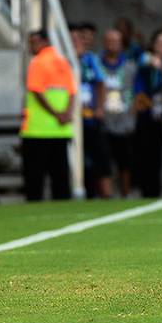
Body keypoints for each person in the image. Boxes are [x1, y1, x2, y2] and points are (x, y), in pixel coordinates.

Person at [20, 31, 76, 202]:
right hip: (61, 130)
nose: (31, 46)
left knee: (34, 179)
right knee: (60, 177)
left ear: (45, 41)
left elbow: (36, 90)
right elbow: (72, 92)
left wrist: (56, 114)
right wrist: (67, 114)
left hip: (37, 130)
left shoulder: (38, 62)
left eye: (34, 42)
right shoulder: (63, 62)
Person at [71, 24, 110, 198]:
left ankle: (106, 195)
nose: (77, 43)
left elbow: (101, 83)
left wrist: (100, 108)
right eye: (73, 39)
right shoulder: (62, 60)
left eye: (79, 39)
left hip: (90, 118)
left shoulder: (90, 59)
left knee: (100, 157)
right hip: (70, 119)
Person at [134, 30, 162, 198]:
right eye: (160, 43)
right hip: (145, 110)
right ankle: (144, 189)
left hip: (160, 113)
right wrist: (159, 64)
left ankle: (155, 189)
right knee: (143, 151)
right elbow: (144, 61)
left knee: (158, 151)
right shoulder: (148, 58)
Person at [101, 29, 137, 197]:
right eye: (109, 41)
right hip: (103, 120)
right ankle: (105, 195)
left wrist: (133, 114)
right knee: (103, 161)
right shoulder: (97, 64)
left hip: (124, 120)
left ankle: (125, 194)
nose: (112, 45)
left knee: (126, 162)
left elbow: (137, 92)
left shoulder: (130, 66)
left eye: (116, 41)